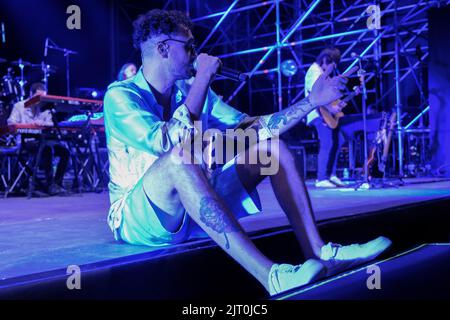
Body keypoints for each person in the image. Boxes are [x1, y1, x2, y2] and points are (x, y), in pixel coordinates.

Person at [103, 9, 391, 296]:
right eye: (189, 47)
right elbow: (167, 142)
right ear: (163, 48)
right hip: (137, 219)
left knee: (271, 150)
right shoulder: (121, 96)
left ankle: (320, 252)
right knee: (180, 157)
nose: (195, 54)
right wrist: (203, 78)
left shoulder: (188, 89)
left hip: (190, 209)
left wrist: (312, 101)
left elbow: (251, 127)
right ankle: (271, 276)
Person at [305, 47, 383, 188]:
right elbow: (315, 96)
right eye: (332, 65)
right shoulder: (314, 72)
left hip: (326, 113)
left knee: (337, 142)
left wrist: (347, 98)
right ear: (325, 60)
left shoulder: (322, 73)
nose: (332, 69)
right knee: (328, 143)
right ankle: (321, 178)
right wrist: (331, 108)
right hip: (318, 113)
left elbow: (330, 99)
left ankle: (331, 175)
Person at [7, 82, 69, 195]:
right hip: (27, 141)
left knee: (65, 152)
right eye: (38, 97)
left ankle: (57, 183)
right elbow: (11, 123)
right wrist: (31, 125)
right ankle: (49, 185)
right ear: (31, 94)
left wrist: (44, 123)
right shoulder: (19, 106)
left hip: (44, 140)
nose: (40, 100)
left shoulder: (45, 108)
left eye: (43, 97)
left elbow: (51, 123)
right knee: (47, 150)